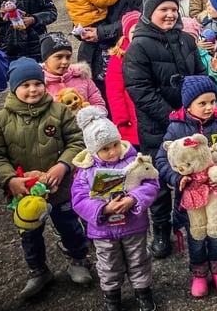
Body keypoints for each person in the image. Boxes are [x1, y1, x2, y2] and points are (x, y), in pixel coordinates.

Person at [0, 58, 90, 299]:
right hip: (24, 192)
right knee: (29, 234)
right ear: (14, 88)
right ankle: (37, 270)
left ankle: (78, 260)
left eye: (37, 84)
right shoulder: (1, 119)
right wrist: (10, 180)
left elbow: (76, 141)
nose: (33, 89)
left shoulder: (59, 110)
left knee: (69, 225)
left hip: (60, 187)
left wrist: (63, 166)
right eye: (25, 85)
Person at [122, 0, 206, 259]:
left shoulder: (186, 40)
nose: (170, 15)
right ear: (149, 13)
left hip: (189, 120)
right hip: (157, 125)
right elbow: (140, 91)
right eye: (163, 10)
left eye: (173, 9)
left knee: (191, 171)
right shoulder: (139, 47)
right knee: (156, 180)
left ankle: (194, 220)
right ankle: (160, 229)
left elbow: (200, 75)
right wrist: (172, 116)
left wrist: (197, 107)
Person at [156, 75, 217, 297]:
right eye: (202, 103)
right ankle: (199, 273)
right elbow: (161, 160)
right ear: (188, 105)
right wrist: (177, 179)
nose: (209, 108)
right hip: (191, 196)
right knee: (196, 235)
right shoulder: (176, 128)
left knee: (216, 232)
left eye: (213, 101)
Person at [71, 107, 160, 311]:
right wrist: (102, 209)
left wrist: (134, 199)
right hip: (103, 230)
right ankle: (112, 296)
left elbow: (151, 183)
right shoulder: (86, 171)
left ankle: (143, 291)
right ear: (93, 150)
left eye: (115, 144)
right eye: (105, 149)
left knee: (139, 259)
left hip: (133, 225)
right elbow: (79, 198)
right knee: (108, 264)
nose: (112, 151)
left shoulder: (134, 161)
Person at [39, 31, 107, 111]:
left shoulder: (82, 77)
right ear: (46, 59)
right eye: (59, 57)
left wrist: (91, 114)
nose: (65, 62)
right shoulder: (40, 84)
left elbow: (98, 103)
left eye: (68, 57)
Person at [106, 11, 141, 150]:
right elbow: (114, 90)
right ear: (126, 34)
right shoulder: (119, 57)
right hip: (129, 118)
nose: (137, 34)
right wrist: (121, 118)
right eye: (133, 31)